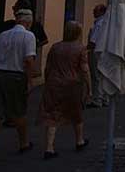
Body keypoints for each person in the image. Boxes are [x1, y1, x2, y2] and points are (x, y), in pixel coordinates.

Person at [0, 8, 36, 163]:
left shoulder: (2, 35)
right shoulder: (28, 36)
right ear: (28, 21)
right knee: (19, 111)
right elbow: (28, 60)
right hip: (16, 76)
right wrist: (30, 80)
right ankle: (24, 143)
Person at [38, 21, 91, 160]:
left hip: (54, 84)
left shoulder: (55, 47)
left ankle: (49, 147)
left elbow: (48, 67)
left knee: (52, 114)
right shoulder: (80, 49)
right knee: (76, 112)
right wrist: (89, 88)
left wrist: (48, 81)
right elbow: (85, 70)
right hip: (72, 84)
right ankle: (79, 140)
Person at [86, 5, 107, 108]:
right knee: (103, 76)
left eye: (95, 11)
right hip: (104, 52)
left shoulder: (99, 24)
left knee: (96, 76)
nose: (93, 12)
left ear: (101, 12)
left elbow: (93, 41)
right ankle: (104, 98)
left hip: (97, 52)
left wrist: (86, 49)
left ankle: (97, 99)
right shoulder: (106, 23)